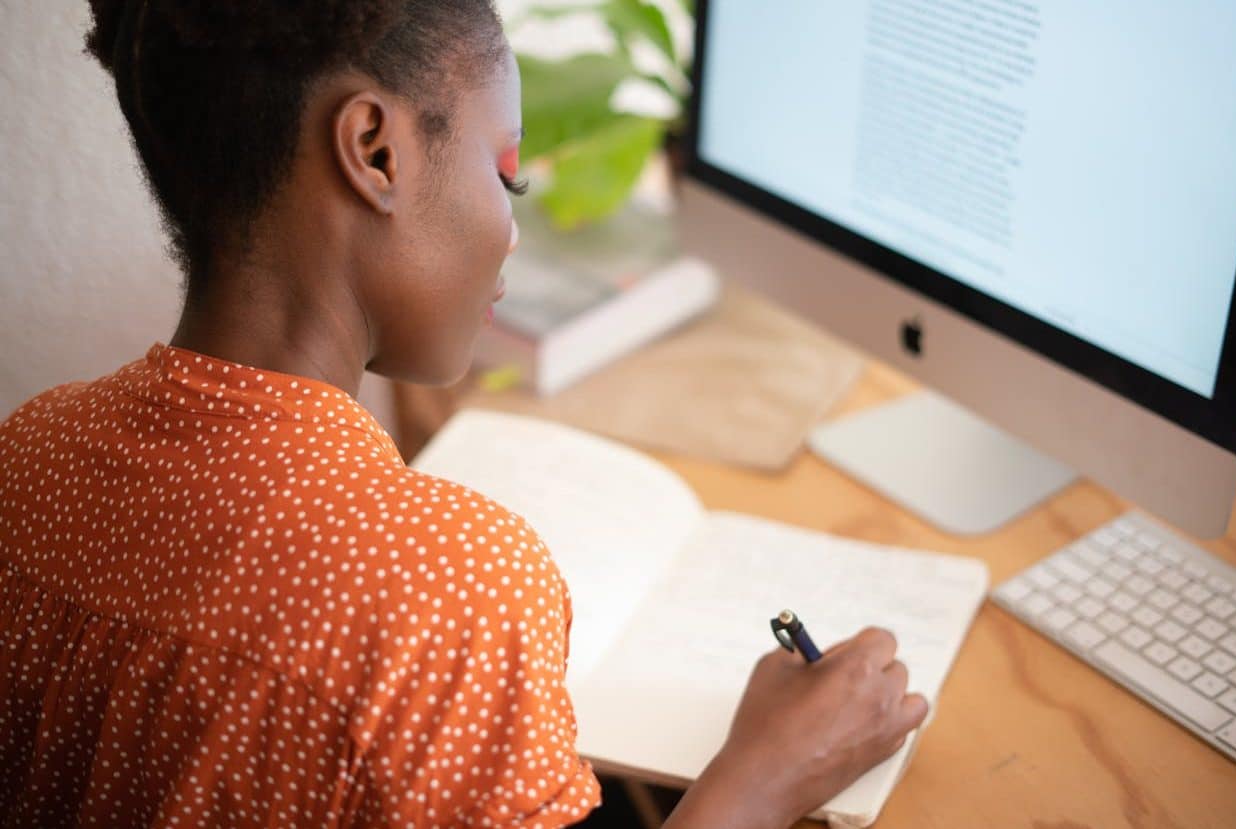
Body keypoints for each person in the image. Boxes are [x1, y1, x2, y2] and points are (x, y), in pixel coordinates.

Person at [0, 2, 928, 827]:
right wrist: (763, 777)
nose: (512, 229)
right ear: (374, 150)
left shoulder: (27, 455)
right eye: (506, 173)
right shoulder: (449, 591)